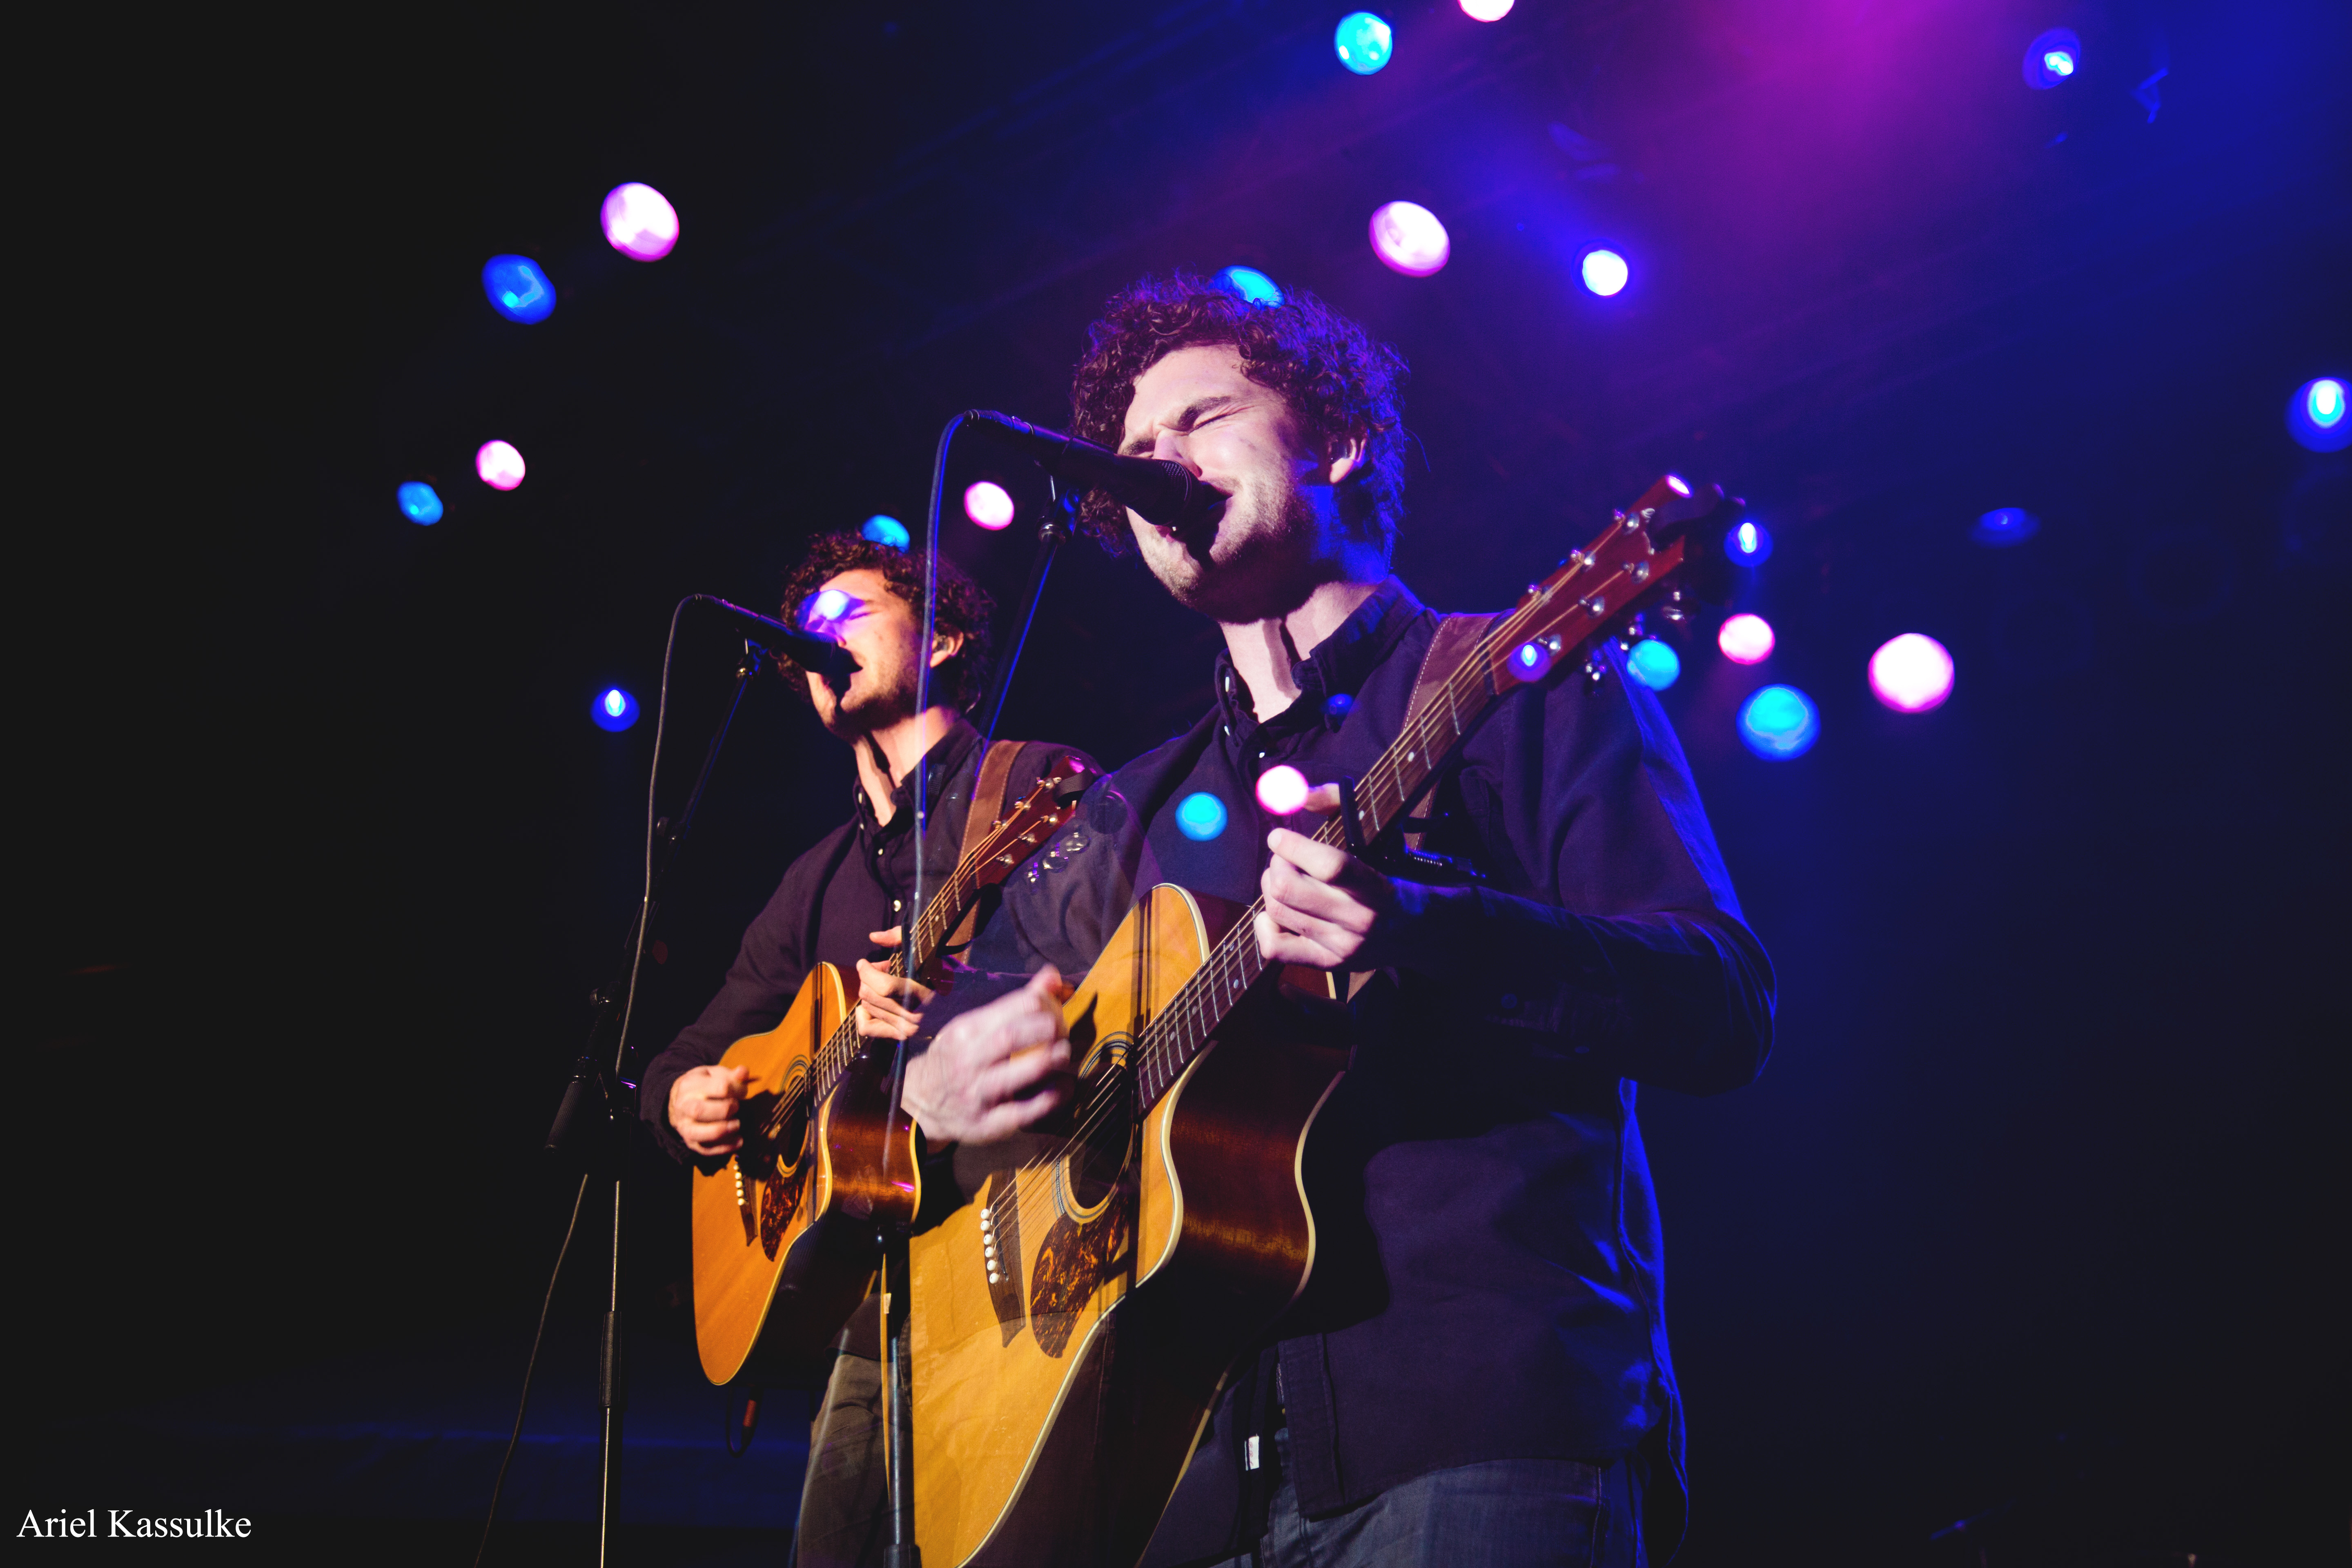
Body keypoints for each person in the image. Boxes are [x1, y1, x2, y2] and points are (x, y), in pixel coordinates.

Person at [860, 275, 1775, 1568]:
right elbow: (984, 1072)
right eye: (1135, 448)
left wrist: (1426, 926)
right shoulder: (1131, 809)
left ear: (1337, 443)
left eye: (1203, 420)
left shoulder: (1519, 685)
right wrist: (936, 1097)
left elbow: (1724, 1003)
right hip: (1173, 1482)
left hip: (1469, 1423)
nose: (1158, 464)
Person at [636, 530, 1097, 1568]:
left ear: (943, 639)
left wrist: (966, 1002)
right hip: (864, 1302)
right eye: (807, 631)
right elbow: (686, 1055)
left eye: (849, 616)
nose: (819, 640)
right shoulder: (815, 879)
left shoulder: (1036, 789)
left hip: (1021, 1269)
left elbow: (1118, 990)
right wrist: (681, 1101)